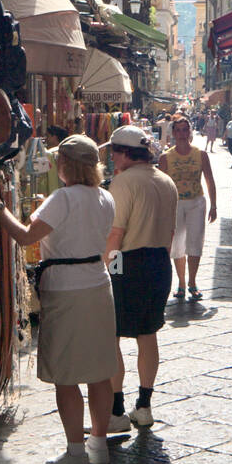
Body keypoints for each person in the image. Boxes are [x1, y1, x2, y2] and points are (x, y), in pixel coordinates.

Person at [0, 136, 117, 464]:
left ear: (66, 165)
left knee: (66, 374)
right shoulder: (105, 197)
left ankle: (75, 452)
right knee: (100, 371)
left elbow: (26, 236)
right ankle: (98, 446)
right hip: (99, 284)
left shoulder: (62, 198)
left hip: (66, 289)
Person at [104, 125, 178, 430]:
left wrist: (109, 270)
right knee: (148, 335)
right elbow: (171, 232)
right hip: (160, 262)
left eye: (113, 151)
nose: (111, 158)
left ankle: (116, 410)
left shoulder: (123, 183)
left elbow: (115, 234)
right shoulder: (166, 181)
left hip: (127, 262)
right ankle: (144, 406)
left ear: (123, 152)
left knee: (112, 337)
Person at [158, 114, 217, 301]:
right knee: (177, 244)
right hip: (175, 204)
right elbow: (161, 185)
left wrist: (214, 205)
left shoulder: (201, 154)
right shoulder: (165, 157)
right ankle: (181, 283)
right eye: (178, 130)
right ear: (173, 133)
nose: (182, 133)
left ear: (189, 132)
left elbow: (209, 180)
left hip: (196, 202)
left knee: (195, 241)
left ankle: (192, 281)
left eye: (185, 129)